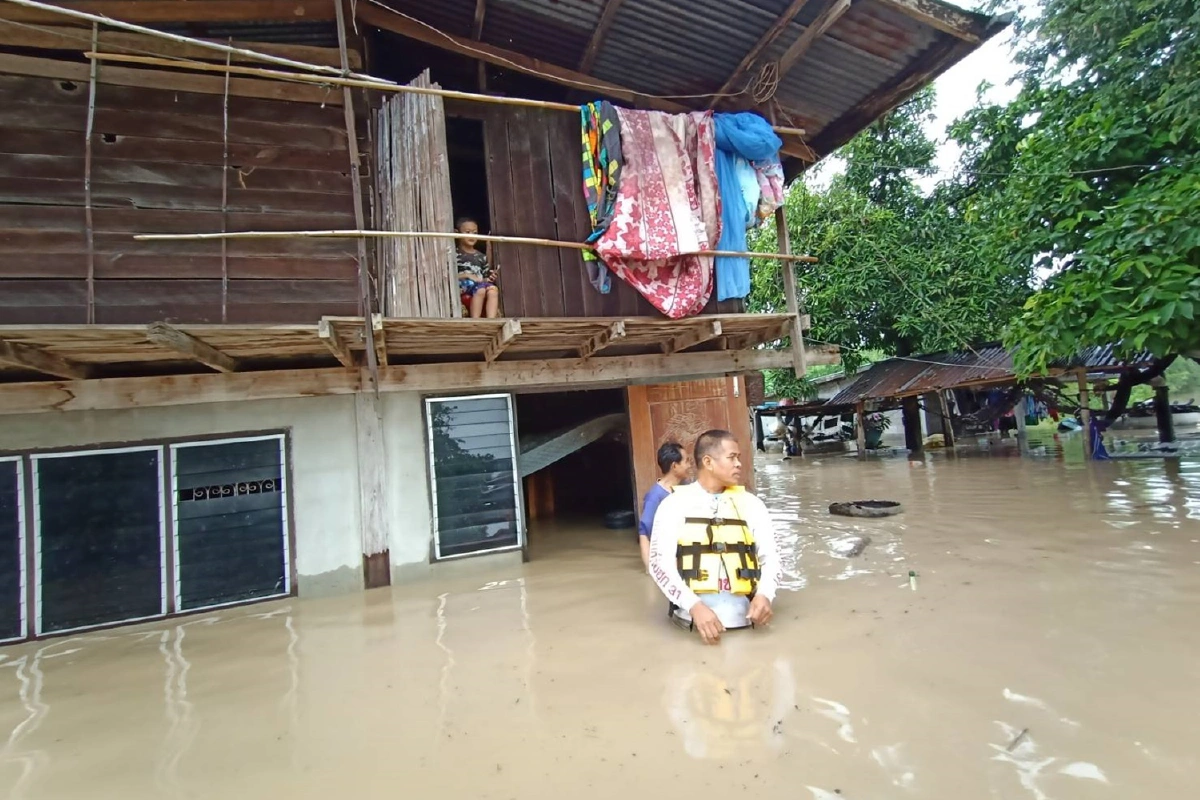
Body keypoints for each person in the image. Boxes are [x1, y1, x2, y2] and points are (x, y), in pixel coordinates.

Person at [649, 430, 780, 645]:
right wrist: (694, 606)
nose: (738, 464)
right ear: (708, 462)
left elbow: (772, 557)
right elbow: (659, 564)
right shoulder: (673, 505)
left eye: (738, 457)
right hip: (690, 625)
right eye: (732, 457)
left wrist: (765, 594)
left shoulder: (752, 505)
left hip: (747, 624)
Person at [638, 442, 690, 572]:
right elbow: (644, 532)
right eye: (687, 461)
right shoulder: (655, 496)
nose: (689, 466)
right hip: (668, 561)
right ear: (674, 466)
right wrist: (650, 570)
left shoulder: (687, 489)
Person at [455, 216, 500, 318]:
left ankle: (491, 321)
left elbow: (484, 276)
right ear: (457, 233)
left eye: (475, 233)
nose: (472, 236)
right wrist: (467, 275)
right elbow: (448, 276)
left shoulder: (481, 256)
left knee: (493, 289)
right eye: (467, 232)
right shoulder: (454, 254)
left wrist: (489, 278)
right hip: (464, 285)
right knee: (481, 289)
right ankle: (475, 319)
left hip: (479, 284)